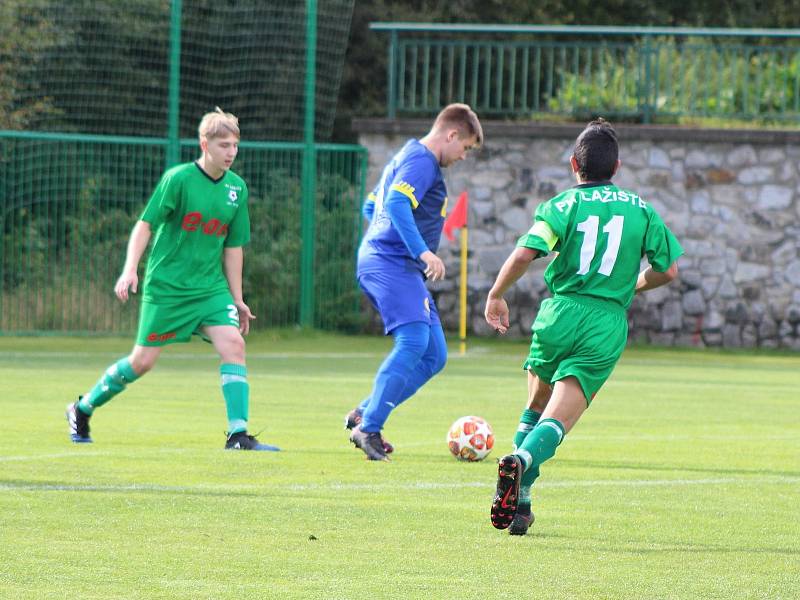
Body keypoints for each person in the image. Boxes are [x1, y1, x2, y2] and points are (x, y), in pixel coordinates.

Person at [484, 118, 682, 533]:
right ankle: (519, 463)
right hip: (604, 323)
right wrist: (633, 287)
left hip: (558, 313)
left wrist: (496, 295)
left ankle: (521, 503)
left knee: (534, 409)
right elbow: (668, 271)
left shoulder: (559, 207)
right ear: (617, 167)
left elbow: (524, 255)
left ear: (575, 164)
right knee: (558, 420)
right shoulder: (642, 210)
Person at [66, 107, 279, 451]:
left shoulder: (236, 189)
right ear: (204, 144)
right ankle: (82, 407)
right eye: (224, 145)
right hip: (167, 287)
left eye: (235, 145)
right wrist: (130, 268)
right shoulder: (178, 179)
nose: (231, 152)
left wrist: (237, 298)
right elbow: (145, 224)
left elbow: (234, 247)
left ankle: (237, 435)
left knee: (234, 345)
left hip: (209, 288)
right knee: (143, 362)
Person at [345, 103, 483, 460]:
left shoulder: (404, 155)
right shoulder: (422, 161)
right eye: (465, 147)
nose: (463, 156)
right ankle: (370, 427)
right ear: (451, 134)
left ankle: (365, 411)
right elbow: (396, 204)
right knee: (414, 340)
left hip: (390, 263)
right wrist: (422, 252)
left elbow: (371, 206)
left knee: (434, 354)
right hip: (391, 263)